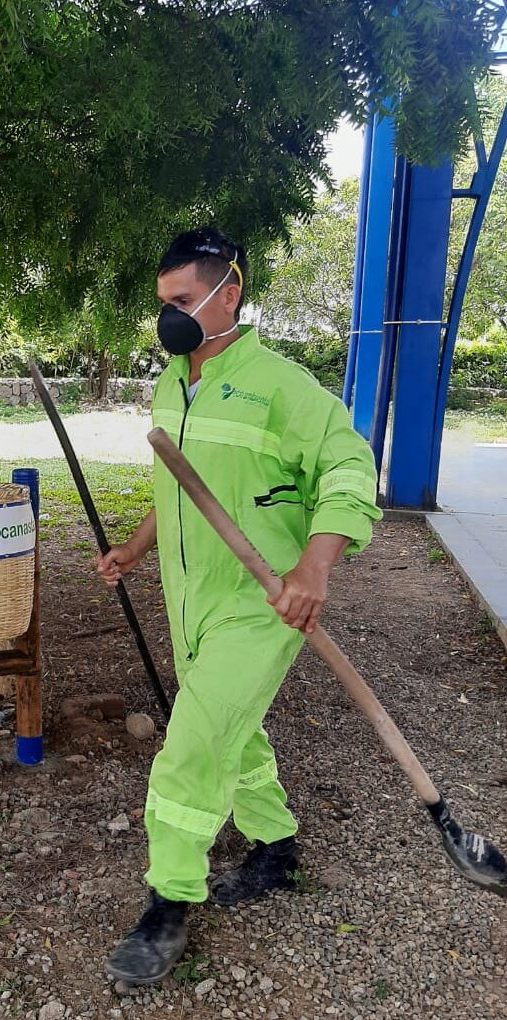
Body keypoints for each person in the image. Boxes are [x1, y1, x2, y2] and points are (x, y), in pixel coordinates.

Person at [97, 226, 381, 986]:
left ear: (231, 293)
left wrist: (316, 566)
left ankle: (168, 902)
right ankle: (276, 845)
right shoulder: (172, 380)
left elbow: (352, 468)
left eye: (183, 302)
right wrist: (134, 548)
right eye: (163, 305)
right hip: (190, 599)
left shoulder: (281, 386)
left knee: (192, 743)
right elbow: (182, 483)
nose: (171, 320)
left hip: (261, 605)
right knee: (230, 725)